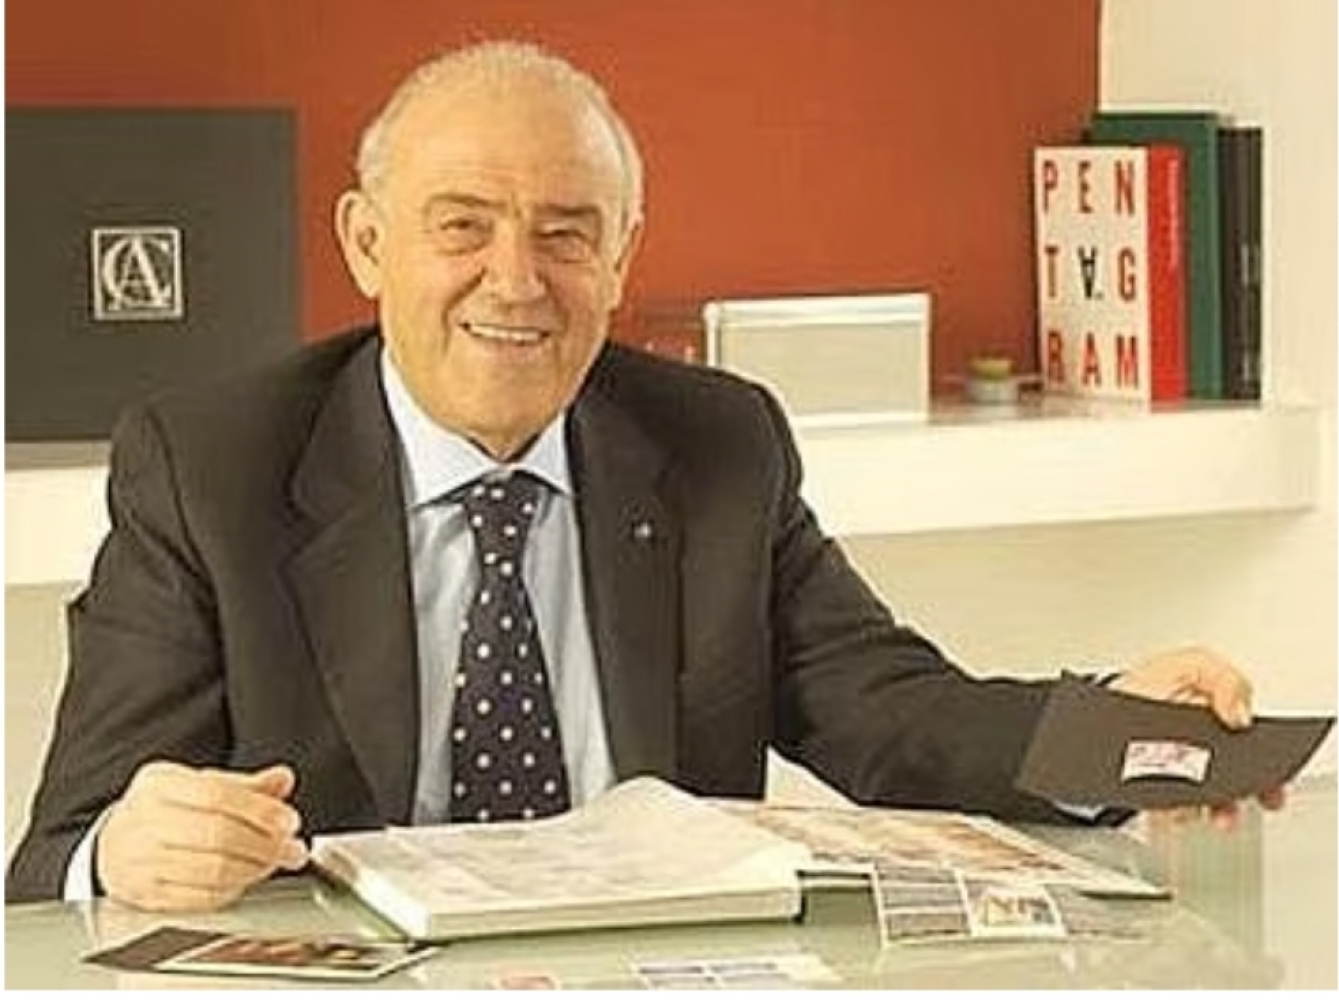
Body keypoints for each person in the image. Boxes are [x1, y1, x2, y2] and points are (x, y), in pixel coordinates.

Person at [6, 39, 1280, 912]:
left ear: (620, 259)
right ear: (366, 242)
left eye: (567, 232)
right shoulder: (210, 467)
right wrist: (125, 847)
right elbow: (56, 853)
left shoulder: (718, 445)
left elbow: (886, 711)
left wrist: (1116, 728)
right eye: (462, 226)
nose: (516, 279)